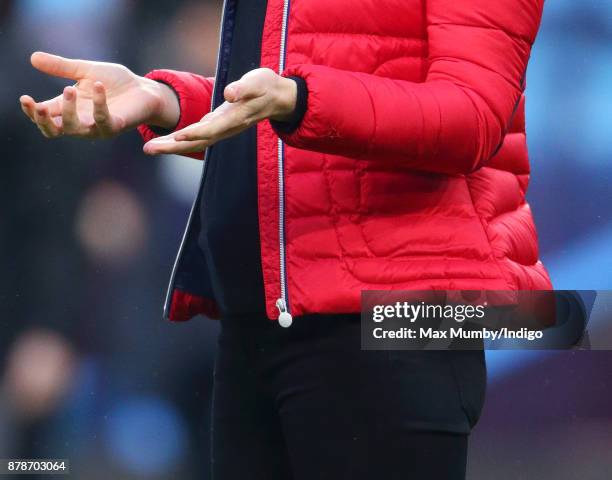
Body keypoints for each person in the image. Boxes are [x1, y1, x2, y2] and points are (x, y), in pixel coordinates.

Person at [19, 0, 550, 478]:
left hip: (390, 318)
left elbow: (472, 117)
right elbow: (276, 111)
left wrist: (297, 98)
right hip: (258, 318)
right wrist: (164, 99)